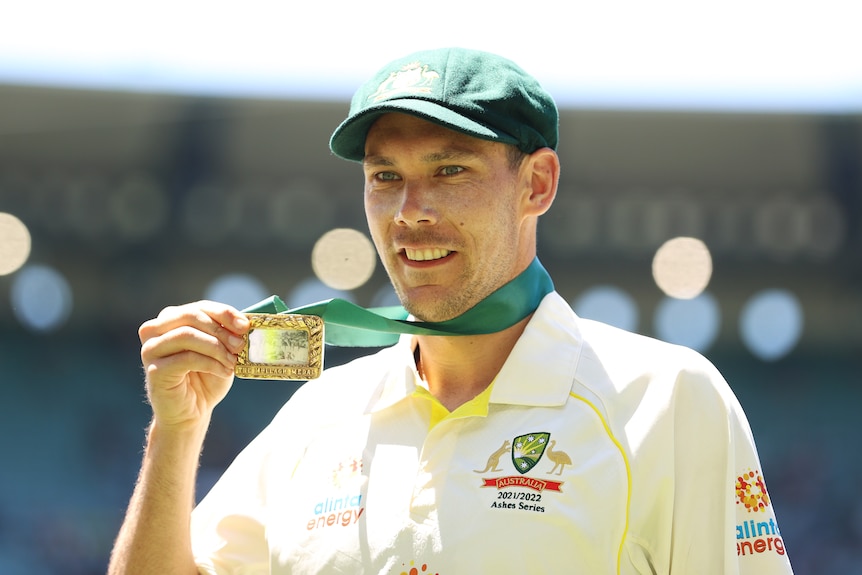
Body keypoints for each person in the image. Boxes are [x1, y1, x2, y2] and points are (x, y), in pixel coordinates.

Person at [108, 47, 794, 574]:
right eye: (386, 178)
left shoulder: (668, 398)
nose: (411, 213)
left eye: (450, 171)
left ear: (538, 183)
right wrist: (177, 432)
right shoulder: (319, 417)